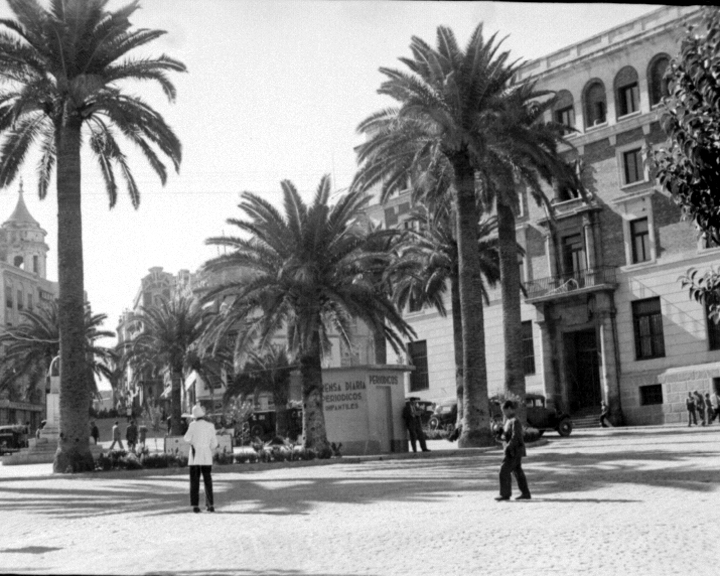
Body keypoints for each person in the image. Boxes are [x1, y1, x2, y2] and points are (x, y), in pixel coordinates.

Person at [184, 404, 219, 513]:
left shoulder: (192, 425)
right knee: (208, 481)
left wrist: (194, 442)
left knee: (195, 481)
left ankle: (195, 506)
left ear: (194, 416)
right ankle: (210, 505)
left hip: (195, 457)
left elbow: (186, 438)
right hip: (206, 456)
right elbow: (214, 444)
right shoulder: (210, 426)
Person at [496, 400, 531, 501]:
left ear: (510, 409)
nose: (504, 413)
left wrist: (508, 447)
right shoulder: (508, 421)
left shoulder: (515, 421)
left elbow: (516, 436)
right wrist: (499, 436)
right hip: (514, 450)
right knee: (517, 471)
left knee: (503, 471)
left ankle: (505, 494)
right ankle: (525, 493)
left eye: (505, 411)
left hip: (514, 451)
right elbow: (506, 437)